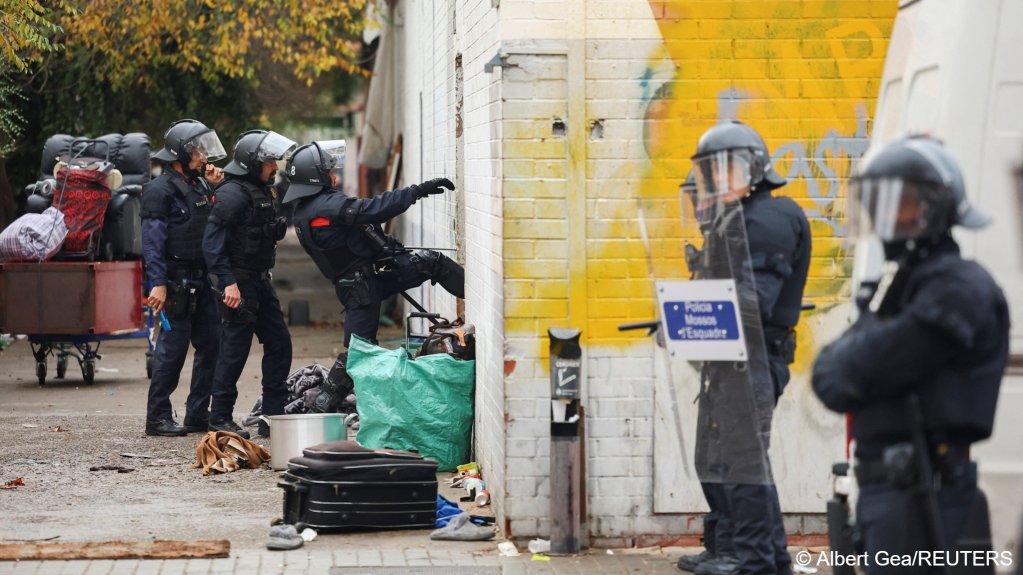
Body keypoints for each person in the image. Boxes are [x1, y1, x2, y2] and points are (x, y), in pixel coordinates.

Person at [812, 136, 1008, 573]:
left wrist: (856, 357)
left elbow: (852, 371)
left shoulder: (959, 287)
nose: (887, 220)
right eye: (878, 203)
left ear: (935, 208)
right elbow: (829, 374)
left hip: (928, 495)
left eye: (900, 205)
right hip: (889, 493)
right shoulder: (896, 285)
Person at [676, 121, 811, 575]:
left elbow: (753, 301)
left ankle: (750, 559)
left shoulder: (770, 219)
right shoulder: (737, 218)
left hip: (754, 358)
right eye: (711, 171)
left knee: (742, 465)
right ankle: (729, 548)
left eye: (725, 170)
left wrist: (699, 315)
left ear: (753, 168)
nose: (715, 182)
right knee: (714, 459)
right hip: (726, 359)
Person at [282, 140, 464, 412]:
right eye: (329, 170)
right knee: (359, 354)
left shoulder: (307, 209)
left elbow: (355, 235)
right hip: (362, 285)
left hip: (365, 279)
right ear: (315, 176)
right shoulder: (326, 206)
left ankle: (323, 404)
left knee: (431, 263)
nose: (336, 175)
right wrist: (417, 191)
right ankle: (319, 406)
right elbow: (374, 209)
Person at [203, 129, 297, 439]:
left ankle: (272, 415)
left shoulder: (259, 189)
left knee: (280, 343)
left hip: (259, 282)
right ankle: (219, 417)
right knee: (234, 350)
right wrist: (228, 283)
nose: (275, 167)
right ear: (252, 163)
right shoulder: (232, 194)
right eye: (270, 162)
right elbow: (212, 244)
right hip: (238, 283)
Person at [141, 119, 227, 437]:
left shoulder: (200, 186)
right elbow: (152, 243)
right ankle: (158, 416)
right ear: (181, 153)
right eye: (199, 151)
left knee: (212, 344)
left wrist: (219, 186)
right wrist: (158, 284)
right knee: (172, 350)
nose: (204, 157)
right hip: (175, 282)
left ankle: (196, 413)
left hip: (203, 280)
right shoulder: (158, 191)